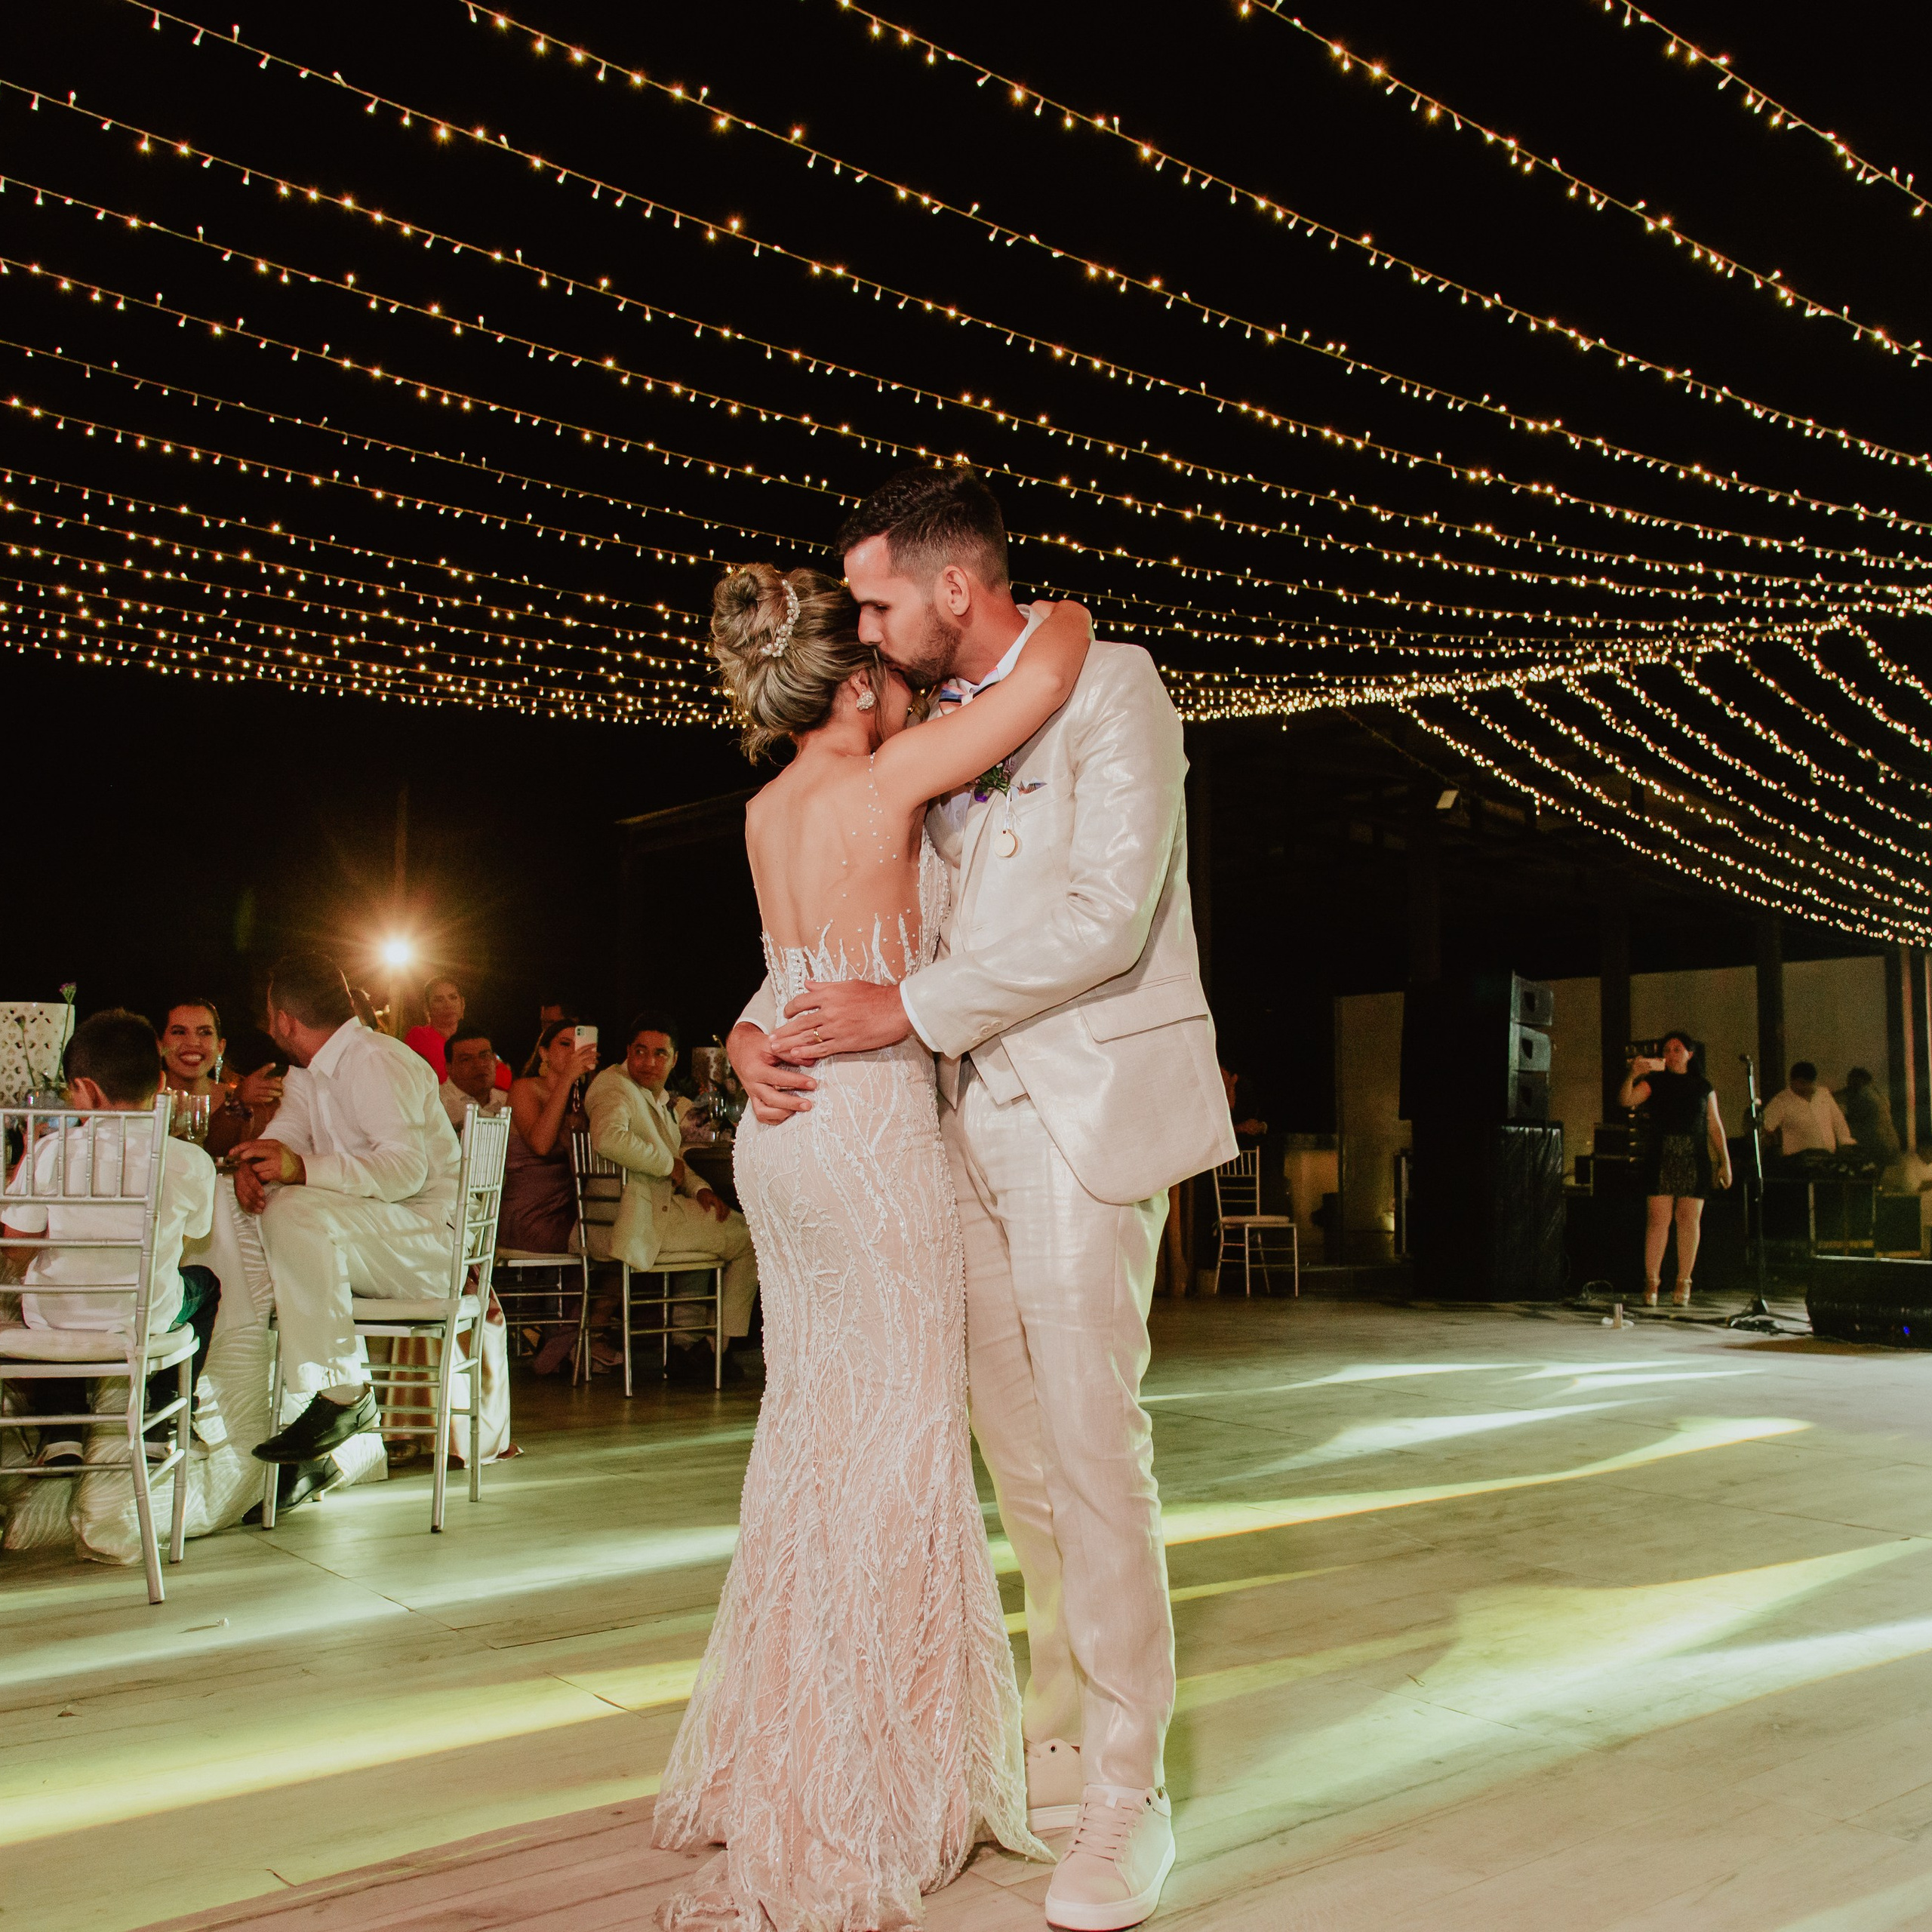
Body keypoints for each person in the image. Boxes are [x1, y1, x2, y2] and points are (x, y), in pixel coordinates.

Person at [652, 552, 1092, 1931]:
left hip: (780, 1134)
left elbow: (791, 965)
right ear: (854, 688)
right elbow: (1058, 661)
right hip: (861, 1134)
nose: (917, 688)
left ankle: (797, 1748)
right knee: (898, 1447)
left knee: (810, 1442)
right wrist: (1053, 606)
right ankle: (866, 1775)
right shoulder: (881, 775)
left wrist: (735, 1036)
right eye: (896, 673)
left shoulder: (766, 806)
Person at [228, 952, 460, 1468]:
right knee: (250, 1205)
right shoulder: (313, 1071)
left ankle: (341, 1396)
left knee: (292, 1211)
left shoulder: (375, 1060)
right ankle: (266, 1404)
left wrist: (302, 1169)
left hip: (428, 1242)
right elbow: (288, 1133)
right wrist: (258, 1161)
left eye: (270, 1015)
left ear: (285, 1020)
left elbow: (404, 1171)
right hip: (378, 1234)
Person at [2, 1009, 220, 1468]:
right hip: (146, 1318)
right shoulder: (188, 1160)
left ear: (84, 1089)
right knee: (205, 1281)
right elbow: (196, 1232)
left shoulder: (49, 1151)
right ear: (161, 1083)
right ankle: (160, 1416)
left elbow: (15, 1248)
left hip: (56, 1320)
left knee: (45, 1297)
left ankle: (61, 1432)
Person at [584, 1014, 757, 1387]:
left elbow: (675, 1162)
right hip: (633, 1219)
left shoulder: (650, 1096)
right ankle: (715, 1348)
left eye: (659, 1054)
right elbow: (609, 1140)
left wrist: (699, 1189)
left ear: (675, 1059)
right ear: (627, 1052)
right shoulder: (614, 1088)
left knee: (714, 1226)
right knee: (750, 1240)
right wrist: (667, 1166)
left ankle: (682, 1347)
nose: (649, 1062)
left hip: (647, 1210)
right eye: (640, 1052)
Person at [504, 1018, 601, 1377]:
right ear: (544, 1052)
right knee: (603, 1246)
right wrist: (565, 1083)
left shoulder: (583, 1096)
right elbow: (542, 1144)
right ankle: (568, 1345)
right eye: (564, 1044)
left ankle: (569, 1343)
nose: (573, 1050)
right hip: (528, 1214)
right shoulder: (525, 1089)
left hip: (568, 1210)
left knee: (616, 1239)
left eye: (579, 1043)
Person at [1619, 1030, 1734, 1308]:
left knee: (1689, 1220)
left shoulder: (1703, 1087)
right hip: (1662, 1154)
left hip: (1694, 1155)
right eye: (1667, 1050)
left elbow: (1714, 1125)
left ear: (1690, 1054)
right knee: (1658, 1220)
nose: (1671, 1054)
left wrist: (1724, 1161)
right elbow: (1626, 1100)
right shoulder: (1654, 1082)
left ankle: (1684, 1280)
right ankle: (1652, 1281)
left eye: (1677, 1049)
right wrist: (1633, 1074)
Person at [158, 998, 285, 1161]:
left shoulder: (242, 1098)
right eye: (179, 1032)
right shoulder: (144, 1097)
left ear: (220, 1047)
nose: (193, 1042)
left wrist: (237, 1102)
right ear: (160, 1045)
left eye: (205, 1032)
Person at [405, 977, 512, 1091]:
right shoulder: (419, 1036)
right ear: (427, 1007)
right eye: (439, 999)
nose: (447, 1004)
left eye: (453, 997)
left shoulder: (473, 1040)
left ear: (463, 1004)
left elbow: (504, 1077)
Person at [1762, 1060, 1856, 1159]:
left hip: (1828, 1157)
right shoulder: (1781, 1101)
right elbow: (1765, 1127)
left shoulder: (1823, 1094)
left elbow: (1838, 1121)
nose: (1806, 1087)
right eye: (1802, 1083)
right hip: (1799, 1162)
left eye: (1809, 1083)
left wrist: (1846, 1142)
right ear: (1792, 1081)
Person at [439, 1025, 510, 1135]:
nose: (479, 1064)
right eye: (466, 1060)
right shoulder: (437, 1103)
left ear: (495, 1061)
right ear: (449, 1068)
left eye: (485, 1056)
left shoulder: (507, 1101)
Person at [1838, 1066, 1901, 1166]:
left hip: (1875, 1143)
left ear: (1859, 1080)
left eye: (1850, 1080)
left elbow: (1852, 1119)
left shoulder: (1862, 1096)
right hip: (1891, 1143)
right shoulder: (1876, 1093)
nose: (1848, 1083)